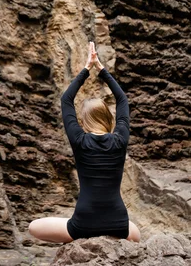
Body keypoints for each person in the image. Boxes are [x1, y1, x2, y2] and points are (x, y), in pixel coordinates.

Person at [28, 42, 141, 243]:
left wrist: (87, 69)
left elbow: (66, 100)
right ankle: (109, 235)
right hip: (118, 222)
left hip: (84, 222)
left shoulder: (80, 140)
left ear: (84, 121)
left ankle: (85, 237)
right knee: (136, 233)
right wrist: (102, 69)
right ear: (109, 119)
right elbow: (123, 100)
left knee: (33, 227)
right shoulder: (120, 139)